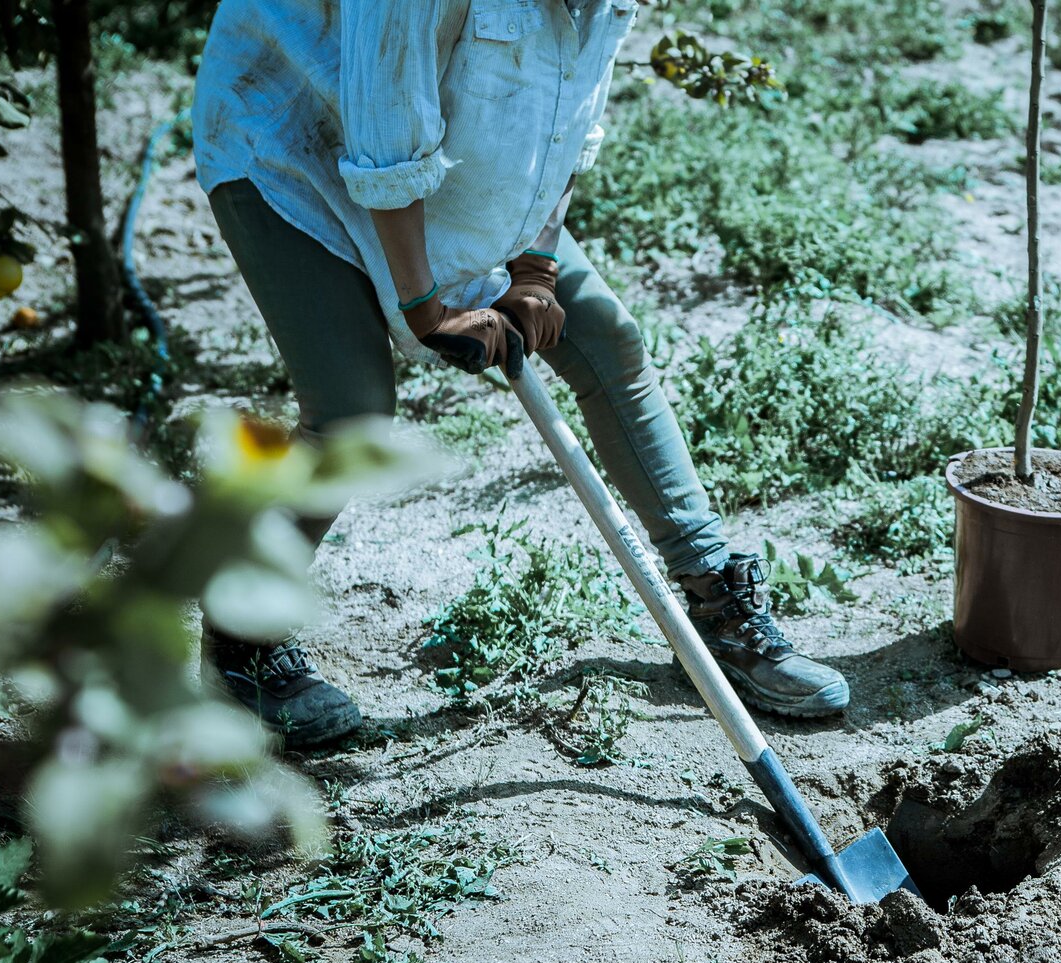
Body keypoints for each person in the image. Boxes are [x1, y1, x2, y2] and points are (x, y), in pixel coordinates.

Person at [190, 0, 849, 748]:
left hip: (442, 150)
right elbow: (385, 139)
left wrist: (534, 266)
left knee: (607, 340)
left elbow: (567, 124)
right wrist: (426, 307)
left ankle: (717, 601)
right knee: (351, 411)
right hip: (288, 131)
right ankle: (240, 642)